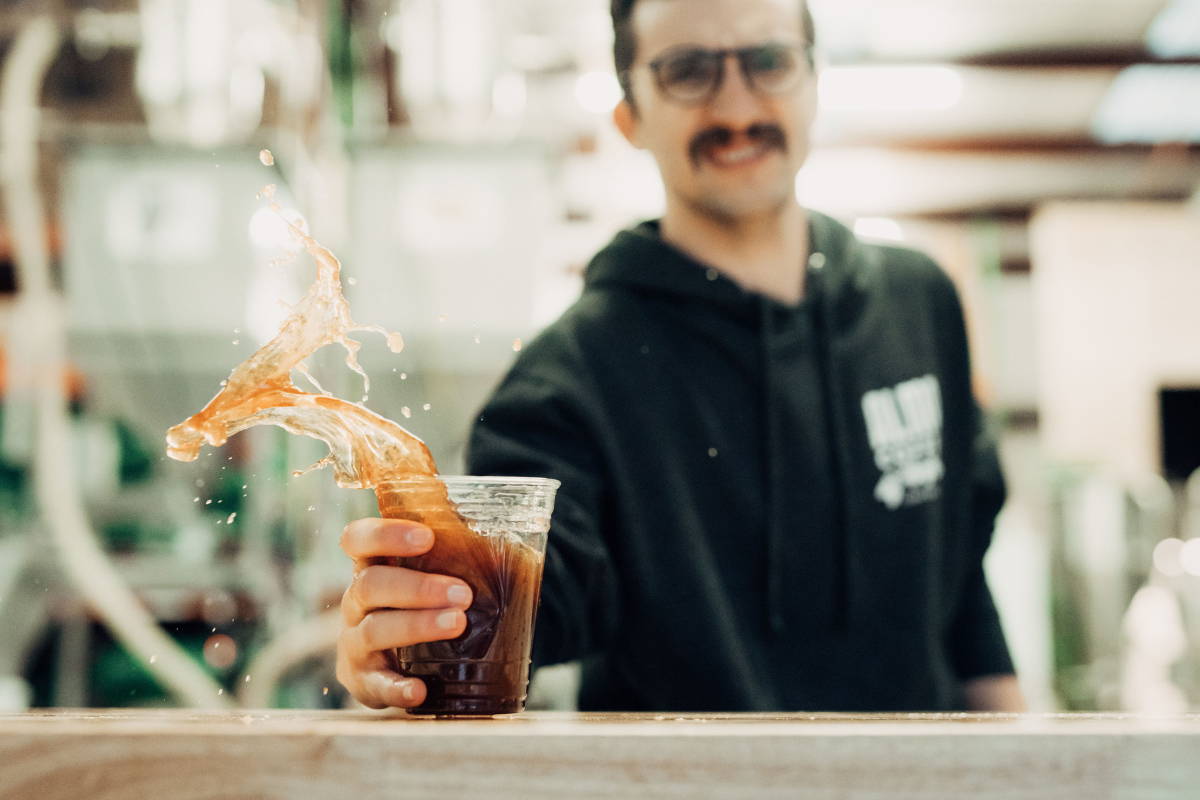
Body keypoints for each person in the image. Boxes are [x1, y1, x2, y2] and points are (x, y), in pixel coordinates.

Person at [336, 0, 1026, 713]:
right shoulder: (572, 374)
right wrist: (416, 627)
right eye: (687, 71)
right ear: (630, 119)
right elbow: (521, 606)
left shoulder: (919, 303)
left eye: (769, 61)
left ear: (814, 82)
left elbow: (961, 587)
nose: (735, 106)